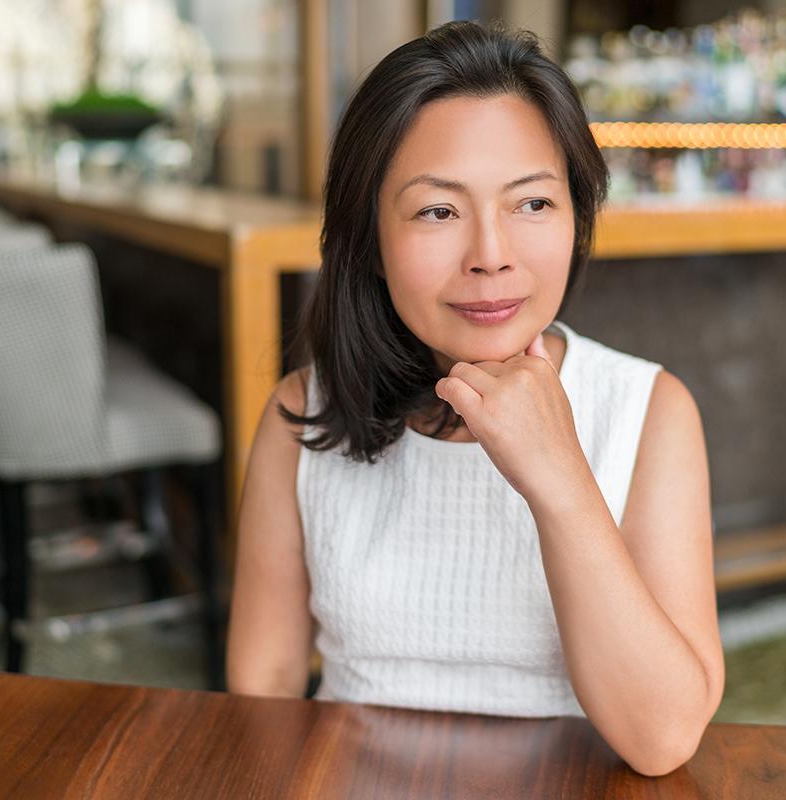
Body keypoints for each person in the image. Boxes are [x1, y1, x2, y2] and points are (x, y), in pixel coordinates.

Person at [226, 20, 723, 777]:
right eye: (438, 211)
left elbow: (662, 740)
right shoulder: (303, 417)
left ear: (576, 217)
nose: (491, 255)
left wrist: (558, 477)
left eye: (531, 204)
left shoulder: (650, 411)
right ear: (369, 238)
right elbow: (263, 692)